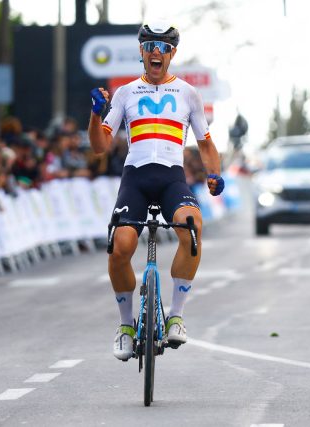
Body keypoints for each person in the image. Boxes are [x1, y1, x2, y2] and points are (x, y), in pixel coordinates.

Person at [87, 22, 225, 361]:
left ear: (173, 54)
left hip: (171, 179)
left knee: (192, 227)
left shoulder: (188, 94)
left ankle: (176, 315)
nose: (156, 52)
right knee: (120, 247)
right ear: (141, 51)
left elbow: (206, 145)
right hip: (135, 178)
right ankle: (125, 326)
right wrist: (94, 116)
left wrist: (214, 174)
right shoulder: (125, 93)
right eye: (149, 46)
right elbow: (100, 147)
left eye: (163, 47)